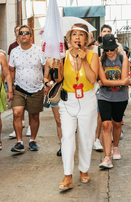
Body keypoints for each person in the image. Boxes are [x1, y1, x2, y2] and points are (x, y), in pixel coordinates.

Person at [58, 23, 99, 191]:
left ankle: (84, 170)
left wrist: (83, 60)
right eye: (74, 34)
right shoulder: (63, 55)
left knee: (86, 137)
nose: (77, 37)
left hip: (87, 100)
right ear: (69, 38)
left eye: (80, 35)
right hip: (68, 101)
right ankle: (67, 175)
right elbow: (60, 77)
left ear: (86, 39)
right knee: (67, 136)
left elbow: (92, 79)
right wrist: (56, 66)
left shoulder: (92, 56)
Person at [9, 25, 46, 153]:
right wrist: (10, 88)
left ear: (31, 36)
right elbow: (11, 71)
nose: (23, 35)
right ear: (18, 37)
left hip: (36, 89)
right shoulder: (14, 52)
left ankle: (32, 140)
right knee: (17, 113)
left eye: (26, 33)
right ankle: (19, 142)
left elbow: (46, 67)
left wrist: (46, 83)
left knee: (34, 116)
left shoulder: (39, 50)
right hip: (19, 88)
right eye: (21, 33)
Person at [97, 34, 131, 169]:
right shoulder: (100, 61)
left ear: (116, 48)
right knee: (106, 125)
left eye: (112, 49)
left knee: (117, 124)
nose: (109, 52)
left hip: (120, 98)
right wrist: (120, 82)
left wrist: (105, 82)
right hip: (104, 97)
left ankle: (115, 147)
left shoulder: (123, 59)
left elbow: (123, 80)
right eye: (107, 50)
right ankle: (107, 157)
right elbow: (117, 81)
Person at [43, 56, 64, 156]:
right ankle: (63, 145)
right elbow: (45, 77)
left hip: (70, 91)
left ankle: (70, 144)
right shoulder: (49, 61)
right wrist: (48, 83)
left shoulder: (69, 57)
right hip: (56, 92)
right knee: (58, 121)